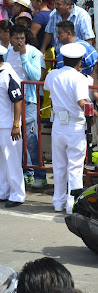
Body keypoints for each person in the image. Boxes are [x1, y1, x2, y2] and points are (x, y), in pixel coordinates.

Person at [44, 42, 96, 213]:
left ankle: (58, 202)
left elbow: (48, 88)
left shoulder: (53, 75)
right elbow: (82, 102)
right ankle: (72, 203)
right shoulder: (79, 79)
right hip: (75, 125)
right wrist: (94, 113)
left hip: (59, 123)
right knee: (74, 166)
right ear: (79, 61)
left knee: (59, 165)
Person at [5, 24, 47, 188]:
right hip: (11, 101)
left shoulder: (33, 52)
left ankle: (40, 174)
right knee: (15, 138)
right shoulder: (8, 52)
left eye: (22, 38)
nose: (20, 41)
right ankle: (26, 172)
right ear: (10, 38)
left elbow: (36, 76)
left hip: (28, 100)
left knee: (31, 139)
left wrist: (23, 56)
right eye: (16, 38)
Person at [0, 44, 25, 208]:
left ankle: (17, 195)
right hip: (1, 123)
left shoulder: (8, 74)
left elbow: (17, 100)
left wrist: (16, 124)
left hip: (9, 125)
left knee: (12, 160)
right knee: (2, 161)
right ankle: (3, 191)